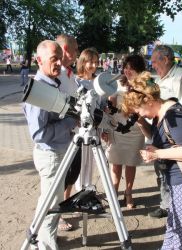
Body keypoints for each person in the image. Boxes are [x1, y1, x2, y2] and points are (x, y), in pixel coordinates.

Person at [122, 71, 182, 249]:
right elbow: (156, 138)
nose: (138, 113)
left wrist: (158, 154)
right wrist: (140, 121)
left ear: (149, 100)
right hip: (177, 186)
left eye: (138, 109)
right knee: (173, 238)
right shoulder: (160, 115)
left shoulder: (173, 116)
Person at [23, 40, 79, 250]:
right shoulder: (38, 92)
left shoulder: (51, 84)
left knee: (50, 200)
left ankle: (40, 237)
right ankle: (44, 245)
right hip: (51, 155)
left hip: (58, 152)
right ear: (39, 60)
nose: (58, 64)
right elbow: (39, 134)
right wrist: (69, 122)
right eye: (53, 59)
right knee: (51, 204)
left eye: (59, 58)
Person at [149, 45, 182, 218]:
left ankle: (175, 206)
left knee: (175, 172)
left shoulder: (181, 77)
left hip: (175, 136)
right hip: (159, 133)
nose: (152, 65)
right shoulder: (161, 79)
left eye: (154, 61)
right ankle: (166, 204)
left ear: (166, 59)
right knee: (161, 169)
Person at [105, 55, 145, 209]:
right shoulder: (117, 83)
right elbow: (110, 107)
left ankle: (128, 192)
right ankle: (113, 193)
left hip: (135, 130)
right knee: (115, 163)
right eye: (126, 68)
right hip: (117, 128)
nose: (127, 71)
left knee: (131, 163)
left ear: (139, 70)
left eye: (131, 68)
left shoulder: (144, 86)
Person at [55, 34, 79, 231]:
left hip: (72, 131)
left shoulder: (69, 74)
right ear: (65, 50)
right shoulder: (55, 74)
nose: (76, 53)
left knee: (72, 173)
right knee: (59, 177)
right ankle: (56, 217)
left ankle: (63, 206)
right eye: (75, 49)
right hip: (60, 133)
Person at [74, 48, 100, 192]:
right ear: (83, 62)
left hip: (95, 128)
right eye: (91, 62)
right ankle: (79, 192)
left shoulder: (97, 81)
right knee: (80, 162)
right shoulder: (77, 81)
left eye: (96, 62)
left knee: (91, 162)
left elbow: (101, 104)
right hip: (81, 128)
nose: (94, 65)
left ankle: (89, 191)